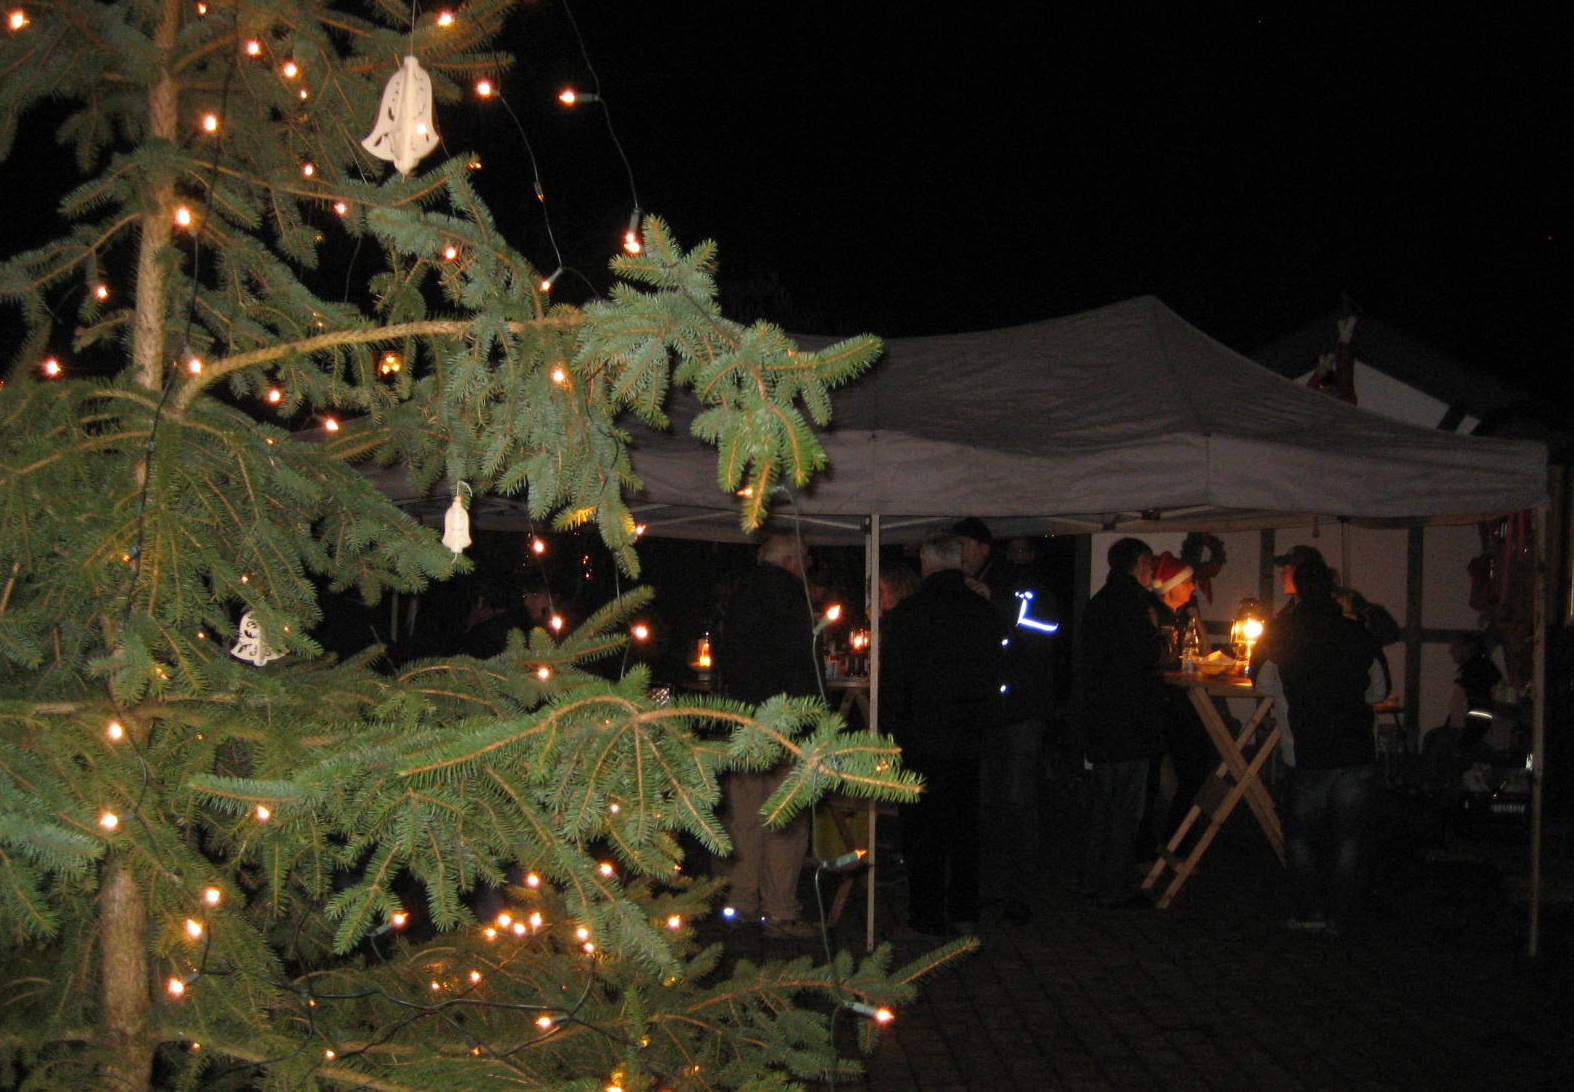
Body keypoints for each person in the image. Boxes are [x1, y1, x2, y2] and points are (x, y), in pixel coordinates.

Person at [1255, 556, 1386, 937]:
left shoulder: (1283, 632)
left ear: (1298, 588)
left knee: (1301, 836)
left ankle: (1310, 910)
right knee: (1349, 837)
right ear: (1331, 589)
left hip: (1308, 747)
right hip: (1355, 747)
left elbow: (1262, 681)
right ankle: (1341, 916)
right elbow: (1379, 689)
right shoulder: (1356, 632)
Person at [881, 531, 1003, 937]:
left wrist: (893, 732)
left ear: (925, 564)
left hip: (921, 736)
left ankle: (926, 912)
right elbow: (995, 672)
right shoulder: (982, 611)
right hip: (968, 733)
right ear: (959, 563)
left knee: (922, 828)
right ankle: (964, 906)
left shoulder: (908, 613)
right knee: (964, 823)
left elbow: (895, 680)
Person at [714, 530, 823, 939]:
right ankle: (780, 910)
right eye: (806, 558)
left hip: (743, 722)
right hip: (784, 723)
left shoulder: (735, 596)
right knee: (784, 819)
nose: (809, 566)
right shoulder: (793, 600)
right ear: (791, 561)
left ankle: (741, 900)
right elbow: (803, 666)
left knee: (744, 816)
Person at [1077, 537, 1165, 909]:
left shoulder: (1099, 602)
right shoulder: (1135, 605)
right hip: (1129, 720)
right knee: (1125, 809)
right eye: (1149, 565)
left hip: (1102, 719)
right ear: (1140, 564)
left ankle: (1092, 879)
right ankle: (1115, 887)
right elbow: (1145, 657)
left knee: (1102, 806)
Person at [980, 535, 1061, 925]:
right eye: (1012, 549)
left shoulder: (1039, 590)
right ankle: (992, 884)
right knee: (990, 801)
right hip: (992, 712)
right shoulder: (992, 582)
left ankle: (1020, 892)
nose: (1017, 556)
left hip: (1023, 711)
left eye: (1023, 549)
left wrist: (997, 601)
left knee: (1019, 800)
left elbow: (1042, 631)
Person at [1147, 551, 1216, 849]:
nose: (1193, 587)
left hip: (1184, 703)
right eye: (1187, 582)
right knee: (1161, 778)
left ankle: (1181, 840)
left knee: (1195, 769)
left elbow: (1204, 651)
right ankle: (1161, 844)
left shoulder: (1185, 616)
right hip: (1162, 706)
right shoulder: (1153, 616)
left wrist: (1196, 622)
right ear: (1171, 586)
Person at [951, 517, 994, 599]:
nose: (957, 551)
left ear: (984, 549)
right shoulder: (952, 580)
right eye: (954, 546)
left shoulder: (1006, 578)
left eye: (962, 545)